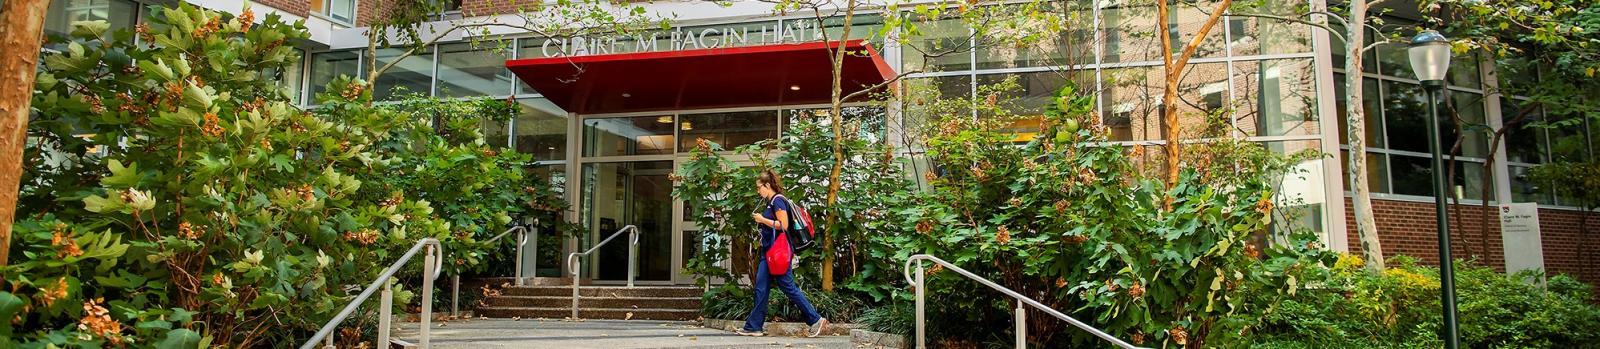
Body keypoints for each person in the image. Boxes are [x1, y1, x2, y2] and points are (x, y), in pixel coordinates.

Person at [737, 169, 828, 337]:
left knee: (788, 286)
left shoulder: (778, 201)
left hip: (778, 252)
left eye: (759, 187)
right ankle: (754, 326)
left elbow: (783, 225)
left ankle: (815, 319)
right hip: (770, 252)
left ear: (767, 185)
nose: (758, 191)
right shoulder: (771, 202)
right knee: (761, 287)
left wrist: (762, 220)